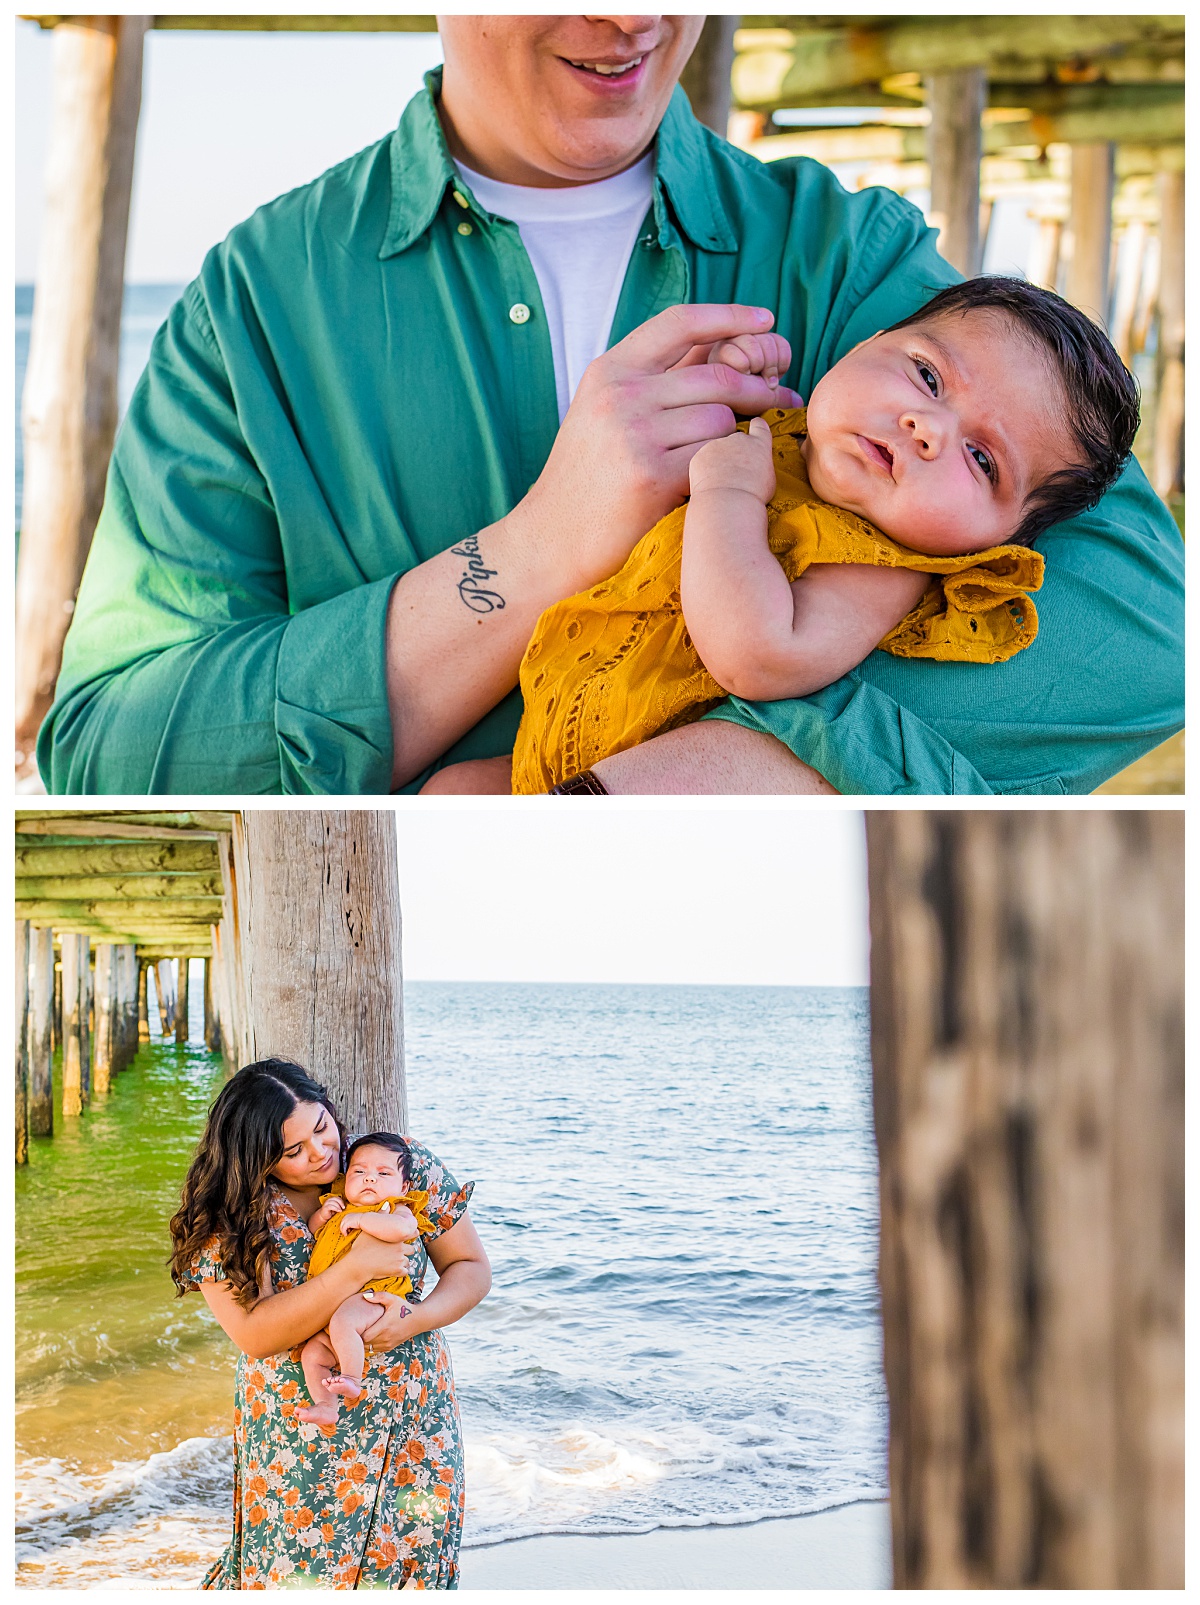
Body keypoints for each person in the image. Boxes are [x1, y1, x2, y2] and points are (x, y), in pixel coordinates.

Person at [40, 17, 1183, 795]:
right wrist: (535, 552)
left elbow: (1147, 633)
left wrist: (686, 777)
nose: (632, 19)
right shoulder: (256, 303)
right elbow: (105, 755)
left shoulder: (845, 255)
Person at [493, 276, 1138, 792]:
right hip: (551, 732)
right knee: (449, 792)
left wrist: (727, 494)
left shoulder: (878, 565)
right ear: (863, 347)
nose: (928, 427)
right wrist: (724, 380)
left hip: (628, 767)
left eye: (982, 460)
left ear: (998, 541)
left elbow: (759, 655)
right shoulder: (783, 435)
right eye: (928, 376)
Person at [169, 1060, 490, 1589]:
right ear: (256, 1157)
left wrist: (415, 1319)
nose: (320, 1153)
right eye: (292, 1151)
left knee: (411, 1573)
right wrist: (355, 1269)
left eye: (322, 1128)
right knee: (295, 1577)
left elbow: (470, 1268)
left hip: (411, 1421)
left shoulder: (390, 1164)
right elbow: (254, 1334)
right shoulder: (231, 1211)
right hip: (299, 1437)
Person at [298, 1133, 435, 1426]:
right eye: (359, 1172)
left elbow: (403, 1230)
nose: (370, 1179)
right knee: (313, 1354)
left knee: (344, 1323)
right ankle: (326, 1406)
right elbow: (314, 1232)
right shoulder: (339, 1207)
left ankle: (351, 1378)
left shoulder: (395, 1208)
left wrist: (362, 1220)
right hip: (334, 1302)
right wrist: (321, 1217)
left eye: (383, 1174)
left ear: (403, 1186)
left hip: (373, 1296)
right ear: (346, 1179)